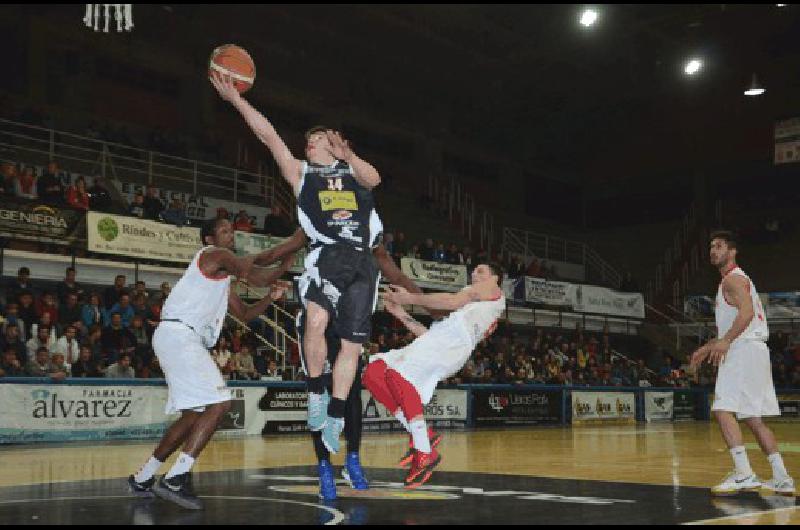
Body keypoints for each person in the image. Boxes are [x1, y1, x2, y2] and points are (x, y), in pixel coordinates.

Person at [212, 71, 383, 454]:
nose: (310, 142)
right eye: (308, 140)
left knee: (352, 347)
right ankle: (317, 393)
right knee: (317, 321)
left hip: (362, 262)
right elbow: (269, 135)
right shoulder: (301, 173)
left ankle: (336, 415)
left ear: (335, 143)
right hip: (328, 253)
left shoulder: (354, 172)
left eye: (318, 137)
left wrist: (349, 156)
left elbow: (375, 179)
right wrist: (236, 100)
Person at [262, 228, 444, 500]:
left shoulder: (369, 227)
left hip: (349, 323)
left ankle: (353, 460)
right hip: (318, 325)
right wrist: (249, 266)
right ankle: (324, 465)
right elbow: (280, 251)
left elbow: (397, 275)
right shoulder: (317, 218)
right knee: (320, 396)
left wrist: (432, 308)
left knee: (352, 396)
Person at [128, 217, 293, 510]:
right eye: (224, 231)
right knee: (220, 403)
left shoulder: (221, 276)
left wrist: (272, 293)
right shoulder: (212, 255)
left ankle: (143, 477)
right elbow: (252, 270)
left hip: (173, 336)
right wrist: (292, 245)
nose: (231, 235)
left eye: (232, 231)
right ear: (208, 239)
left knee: (194, 413)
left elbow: (245, 313)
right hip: (180, 335)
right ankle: (176, 478)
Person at [366, 263, 505, 488]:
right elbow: (428, 336)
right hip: (442, 342)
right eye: (474, 271)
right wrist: (401, 314)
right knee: (374, 373)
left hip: (452, 346)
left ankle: (424, 452)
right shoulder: (471, 308)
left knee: (397, 376)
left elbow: (450, 301)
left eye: (480, 271)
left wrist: (409, 298)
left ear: (495, 278)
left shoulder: (489, 290)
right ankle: (425, 435)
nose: (474, 274)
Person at [690, 231, 793, 496]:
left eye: (719, 246)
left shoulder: (732, 280)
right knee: (754, 419)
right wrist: (710, 345)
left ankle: (744, 473)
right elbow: (741, 319)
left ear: (732, 251)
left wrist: (725, 342)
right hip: (755, 349)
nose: (713, 250)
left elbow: (746, 314)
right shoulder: (740, 278)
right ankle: (782, 478)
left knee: (723, 408)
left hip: (743, 350)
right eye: (711, 246)